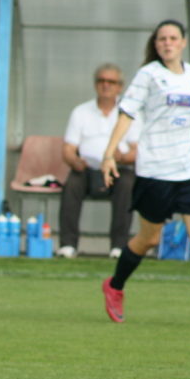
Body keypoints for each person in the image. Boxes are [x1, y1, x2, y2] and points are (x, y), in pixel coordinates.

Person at [99, 19, 190, 327]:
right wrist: (109, 154)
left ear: (182, 43)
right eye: (162, 38)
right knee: (149, 238)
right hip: (155, 169)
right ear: (156, 44)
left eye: (173, 38)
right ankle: (114, 286)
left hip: (189, 168)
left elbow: (188, 112)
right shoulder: (148, 75)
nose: (167, 43)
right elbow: (127, 113)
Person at [58, 63, 140, 259]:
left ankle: (119, 246)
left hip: (118, 169)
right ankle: (67, 245)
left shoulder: (130, 112)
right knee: (72, 183)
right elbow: (68, 149)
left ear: (120, 87)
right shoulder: (80, 112)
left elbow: (138, 151)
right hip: (87, 169)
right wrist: (74, 161)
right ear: (95, 84)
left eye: (111, 82)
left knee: (128, 184)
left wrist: (122, 157)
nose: (106, 85)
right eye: (101, 81)